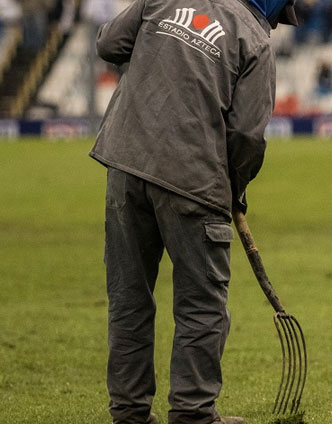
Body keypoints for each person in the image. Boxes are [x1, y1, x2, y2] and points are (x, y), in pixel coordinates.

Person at [89, 0, 297, 423]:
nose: (273, 26)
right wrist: (234, 189)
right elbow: (247, 136)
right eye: (277, 17)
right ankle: (193, 413)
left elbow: (109, 44)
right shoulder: (255, 40)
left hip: (126, 163)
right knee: (201, 306)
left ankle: (129, 412)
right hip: (195, 181)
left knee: (129, 298)